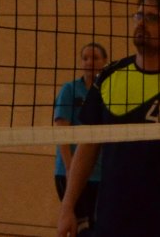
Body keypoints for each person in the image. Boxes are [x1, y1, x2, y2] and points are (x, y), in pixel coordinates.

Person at [57, 0, 160, 237]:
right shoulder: (109, 76)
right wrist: (67, 207)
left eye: (153, 18)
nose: (141, 23)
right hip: (110, 221)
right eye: (139, 15)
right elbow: (87, 147)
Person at [53, 41, 108, 231]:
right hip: (71, 172)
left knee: (98, 228)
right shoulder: (70, 90)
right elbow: (62, 130)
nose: (89, 62)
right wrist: (70, 167)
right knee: (80, 227)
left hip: (100, 174)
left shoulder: (108, 91)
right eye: (85, 58)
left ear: (105, 61)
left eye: (95, 58)